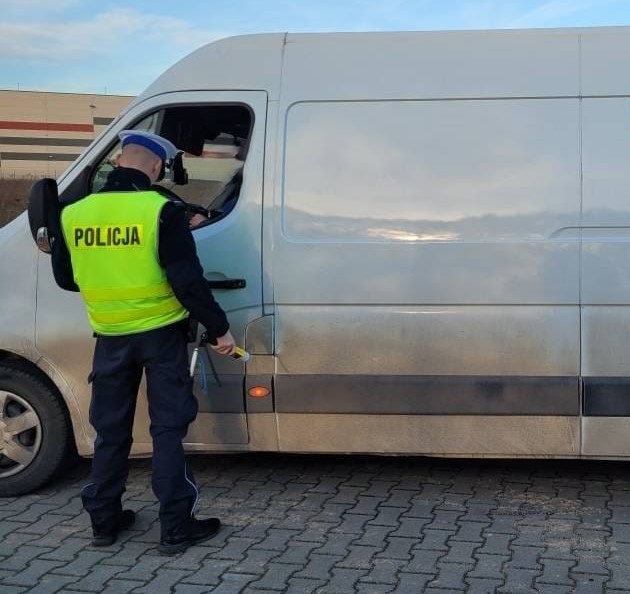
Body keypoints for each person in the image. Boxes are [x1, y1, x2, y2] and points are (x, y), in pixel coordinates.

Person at [57, 129, 236, 554]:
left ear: (119, 161)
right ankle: (175, 528)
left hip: (111, 337)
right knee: (167, 431)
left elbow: (66, 278)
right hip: (161, 337)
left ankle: (104, 523)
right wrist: (219, 329)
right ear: (156, 166)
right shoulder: (161, 211)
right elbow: (188, 282)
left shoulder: (72, 213)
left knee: (111, 433)